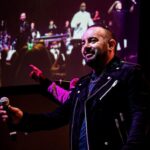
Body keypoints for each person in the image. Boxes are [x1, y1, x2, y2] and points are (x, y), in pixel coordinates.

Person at [0, 23, 149, 150]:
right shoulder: (82, 84)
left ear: (111, 45)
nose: (85, 47)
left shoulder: (129, 73)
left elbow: (140, 116)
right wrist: (23, 119)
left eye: (92, 40)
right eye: (83, 43)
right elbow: (56, 117)